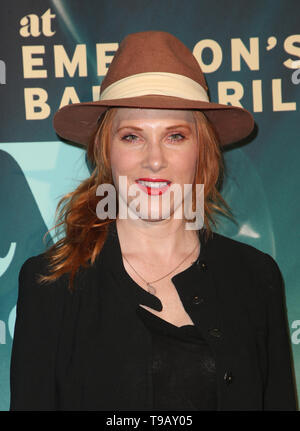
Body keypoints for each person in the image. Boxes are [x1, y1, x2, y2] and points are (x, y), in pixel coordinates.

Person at [10, 31, 297, 411]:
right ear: (105, 151)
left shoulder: (256, 277)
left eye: (175, 136)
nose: (155, 160)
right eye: (132, 137)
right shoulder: (51, 283)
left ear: (202, 149)